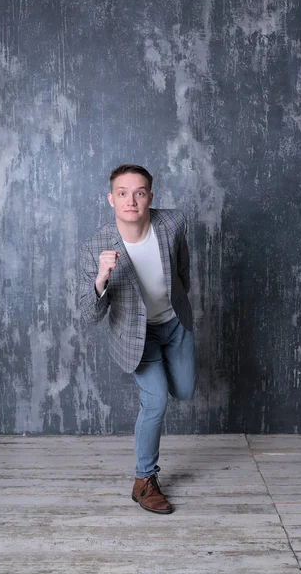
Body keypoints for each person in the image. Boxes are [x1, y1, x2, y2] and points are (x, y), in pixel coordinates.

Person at [79, 164, 196, 514]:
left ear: (150, 197)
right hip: (137, 336)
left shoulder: (172, 223)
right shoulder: (96, 245)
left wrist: (176, 308)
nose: (131, 200)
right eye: (122, 193)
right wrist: (102, 276)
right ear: (110, 199)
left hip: (174, 324)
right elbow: (89, 313)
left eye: (140, 192)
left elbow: (182, 272)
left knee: (185, 390)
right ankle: (143, 481)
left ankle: (167, 373)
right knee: (156, 401)